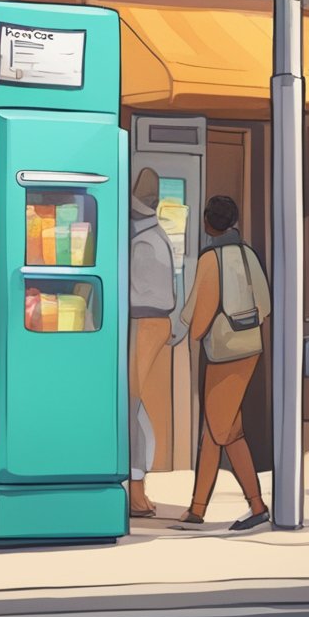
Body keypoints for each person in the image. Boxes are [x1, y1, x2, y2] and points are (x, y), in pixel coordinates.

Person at [178, 196, 272, 531]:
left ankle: (256, 507)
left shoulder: (210, 258)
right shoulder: (248, 254)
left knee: (218, 430)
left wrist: (184, 335)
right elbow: (264, 304)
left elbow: (198, 313)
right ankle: (198, 509)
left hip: (223, 351)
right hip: (250, 348)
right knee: (223, 429)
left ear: (207, 222)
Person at [129, 168, 178, 518]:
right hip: (150, 323)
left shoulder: (137, 235)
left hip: (143, 324)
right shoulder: (152, 235)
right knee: (134, 408)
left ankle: (135, 489)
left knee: (132, 408)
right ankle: (136, 488)